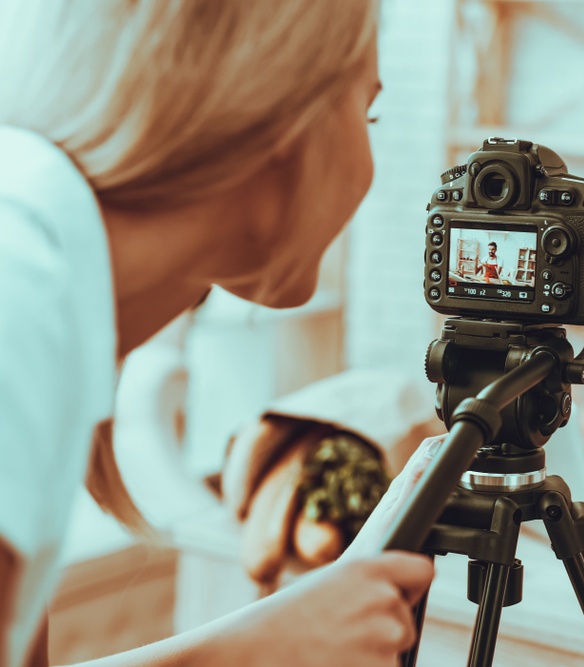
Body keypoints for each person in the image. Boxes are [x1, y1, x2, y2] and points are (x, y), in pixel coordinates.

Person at [0, 2, 437, 666]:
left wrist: (258, 640)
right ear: (289, 116)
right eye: (367, 113)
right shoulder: (20, 290)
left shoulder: (43, 262)